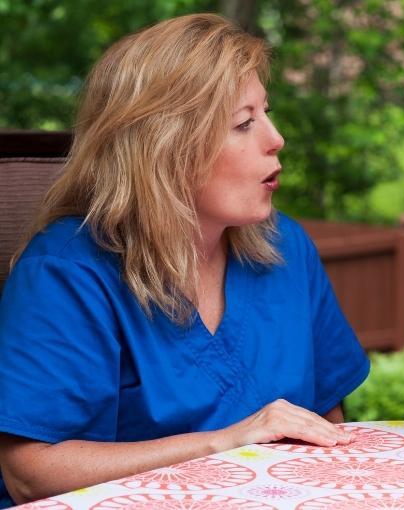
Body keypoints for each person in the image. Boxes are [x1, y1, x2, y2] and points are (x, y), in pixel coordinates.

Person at [0, 14, 369, 506]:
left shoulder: (287, 248)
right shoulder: (66, 273)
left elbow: (327, 420)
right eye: (244, 122)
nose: (275, 138)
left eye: (266, 112)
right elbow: (29, 471)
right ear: (165, 149)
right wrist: (224, 442)